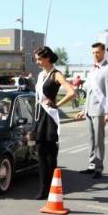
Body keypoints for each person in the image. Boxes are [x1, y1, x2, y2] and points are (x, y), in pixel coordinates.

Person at [32, 46, 76, 199]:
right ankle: (43, 189)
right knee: (40, 153)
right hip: (39, 116)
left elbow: (72, 92)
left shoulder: (56, 74)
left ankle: (52, 188)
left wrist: (58, 104)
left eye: (39, 58)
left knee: (50, 155)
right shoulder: (40, 75)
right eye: (36, 59)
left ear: (47, 58)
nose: (37, 62)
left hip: (50, 117)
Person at [74, 42, 108, 179]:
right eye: (93, 53)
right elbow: (90, 92)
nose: (95, 55)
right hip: (89, 110)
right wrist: (83, 109)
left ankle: (99, 168)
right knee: (91, 140)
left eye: (97, 52)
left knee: (99, 140)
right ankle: (92, 165)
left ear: (103, 52)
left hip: (99, 109)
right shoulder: (92, 69)